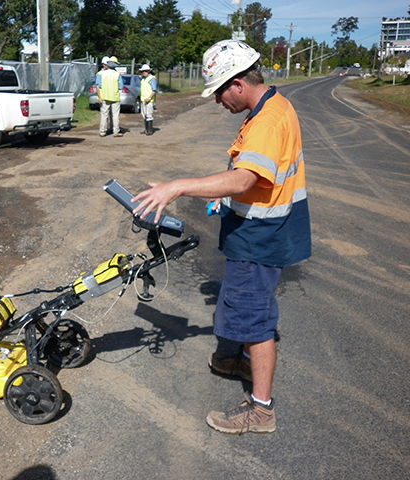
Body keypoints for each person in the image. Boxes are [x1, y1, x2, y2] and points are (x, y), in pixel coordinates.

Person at [132, 39, 311, 434]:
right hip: (263, 228)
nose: (217, 102)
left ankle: (261, 410)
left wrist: (177, 186)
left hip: (260, 238)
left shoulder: (266, 121)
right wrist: (228, 200)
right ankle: (239, 360)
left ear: (237, 84)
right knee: (245, 309)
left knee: (255, 321)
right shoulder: (273, 107)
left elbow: (245, 176)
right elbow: (257, 180)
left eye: (217, 92)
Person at [95, 56, 124, 137]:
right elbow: (121, 86)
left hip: (104, 96)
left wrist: (99, 97)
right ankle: (116, 131)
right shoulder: (117, 74)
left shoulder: (101, 74)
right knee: (115, 115)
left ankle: (102, 131)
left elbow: (98, 86)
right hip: (115, 97)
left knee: (104, 114)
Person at [139, 64, 157, 135]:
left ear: (149, 71)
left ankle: (150, 130)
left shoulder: (152, 79)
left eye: (146, 71)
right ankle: (146, 129)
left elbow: (154, 90)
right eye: (143, 71)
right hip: (143, 100)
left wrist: (149, 98)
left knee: (149, 115)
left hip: (149, 100)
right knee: (144, 115)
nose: (144, 72)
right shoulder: (143, 79)